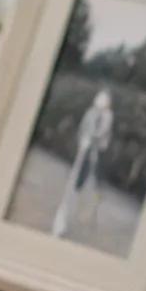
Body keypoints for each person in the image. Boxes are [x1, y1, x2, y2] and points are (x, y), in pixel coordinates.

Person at [52, 89, 114, 238]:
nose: (100, 101)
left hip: (96, 153)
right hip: (83, 150)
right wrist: (82, 141)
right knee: (74, 182)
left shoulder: (108, 116)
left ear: (108, 103)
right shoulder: (90, 112)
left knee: (87, 184)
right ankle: (61, 221)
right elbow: (83, 127)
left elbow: (103, 133)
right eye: (99, 98)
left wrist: (91, 140)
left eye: (104, 99)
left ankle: (87, 212)